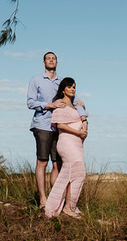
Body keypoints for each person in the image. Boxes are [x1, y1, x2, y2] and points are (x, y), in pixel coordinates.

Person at [26, 52, 86, 206]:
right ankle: (43, 199)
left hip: (60, 129)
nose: (51, 60)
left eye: (53, 58)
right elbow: (30, 103)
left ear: (57, 63)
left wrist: (84, 117)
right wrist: (50, 105)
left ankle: (55, 200)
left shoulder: (63, 82)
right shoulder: (36, 80)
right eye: (48, 58)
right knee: (42, 162)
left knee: (57, 164)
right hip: (43, 125)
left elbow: (77, 102)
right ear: (44, 62)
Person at [44, 76, 88, 219]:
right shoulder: (61, 105)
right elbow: (60, 125)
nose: (72, 89)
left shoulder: (76, 107)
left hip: (77, 143)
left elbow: (83, 119)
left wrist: (84, 112)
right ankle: (68, 207)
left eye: (74, 87)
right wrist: (78, 132)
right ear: (63, 89)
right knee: (79, 172)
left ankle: (69, 206)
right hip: (67, 142)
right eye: (69, 86)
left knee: (72, 175)